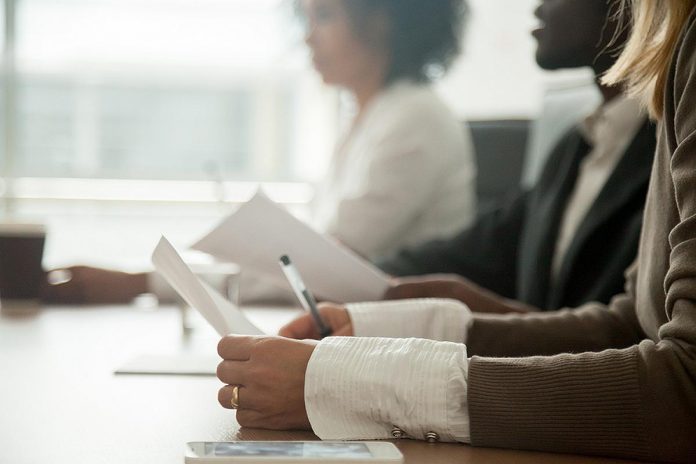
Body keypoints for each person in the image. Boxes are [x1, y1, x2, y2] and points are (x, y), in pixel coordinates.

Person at [215, 1, 696, 462]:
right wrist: (402, 324)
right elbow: (626, 325)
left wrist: (347, 383)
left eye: (325, 14)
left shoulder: (684, 60)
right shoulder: (578, 142)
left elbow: (682, 387)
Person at [41, 0, 476, 305]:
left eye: (324, 15)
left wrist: (141, 283)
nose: (307, 38)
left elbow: (318, 270)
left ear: (382, 21)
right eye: (305, 17)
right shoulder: (368, 119)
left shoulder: (414, 119)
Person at [377, 0, 656, 314]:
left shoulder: (670, 154)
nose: (537, 8)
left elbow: (634, 336)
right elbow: (482, 245)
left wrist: (478, 323)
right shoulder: (574, 146)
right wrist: (366, 278)